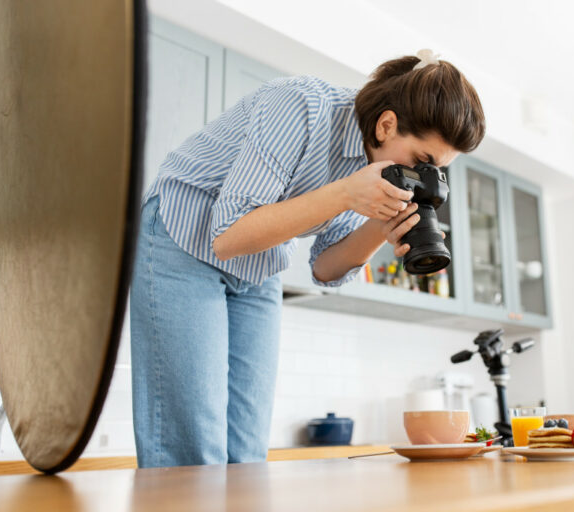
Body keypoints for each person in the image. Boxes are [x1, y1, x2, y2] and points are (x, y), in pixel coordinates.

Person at [130, 49, 486, 468]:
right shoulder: (300, 106)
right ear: (386, 124)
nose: (425, 178)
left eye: (438, 171)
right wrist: (347, 194)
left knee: (246, 451)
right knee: (192, 447)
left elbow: (324, 269)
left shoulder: (374, 164)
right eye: (423, 162)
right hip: (183, 233)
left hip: (259, 264)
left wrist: (379, 228)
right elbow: (228, 235)